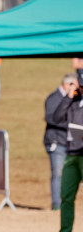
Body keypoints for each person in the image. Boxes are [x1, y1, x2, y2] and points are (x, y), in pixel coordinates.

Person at [48, 78, 83, 232]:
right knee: (66, 196)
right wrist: (68, 97)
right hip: (72, 154)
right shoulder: (73, 102)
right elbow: (57, 117)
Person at [44, 73, 77, 211]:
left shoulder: (74, 99)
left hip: (71, 143)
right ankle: (56, 205)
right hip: (57, 142)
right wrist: (71, 124)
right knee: (58, 173)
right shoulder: (54, 98)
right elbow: (51, 118)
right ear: (67, 85)